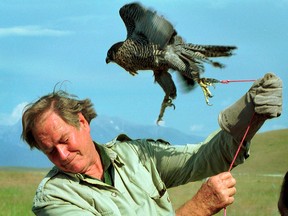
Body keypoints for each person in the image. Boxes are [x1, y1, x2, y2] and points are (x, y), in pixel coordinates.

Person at [21, 73, 282, 215]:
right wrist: (198, 209)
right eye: (50, 151)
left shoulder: (136, 154)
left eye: (64, 140)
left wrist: (248, 119)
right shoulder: (54, 199)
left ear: (82, 122)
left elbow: (203, 159)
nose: (62, 154)